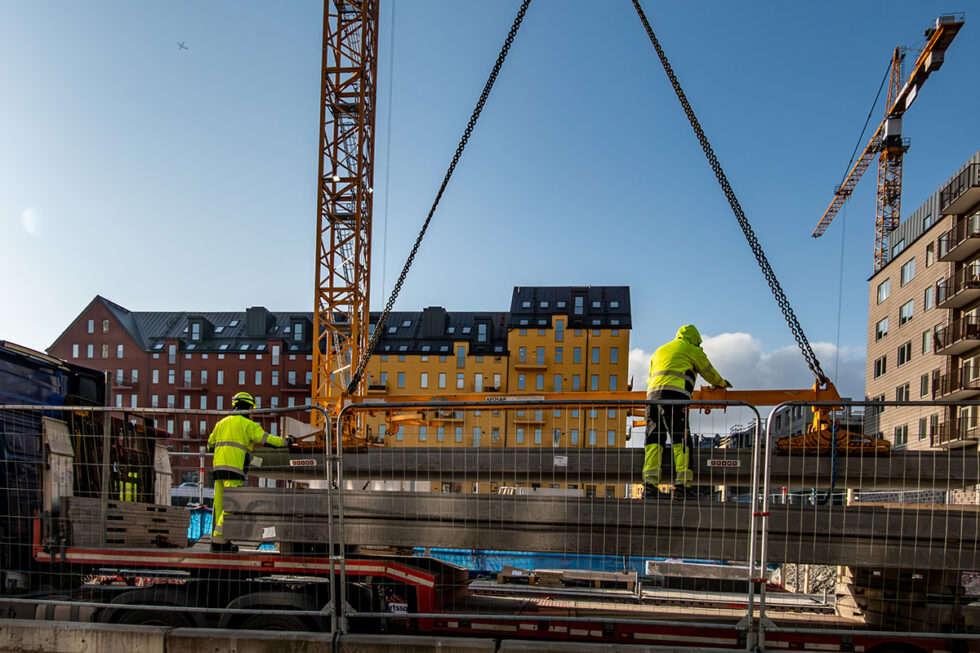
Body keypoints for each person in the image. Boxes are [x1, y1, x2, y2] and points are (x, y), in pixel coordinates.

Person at [644, 325, 731, 500]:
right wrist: (721, 383)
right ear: (696, 340)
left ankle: (650, 488)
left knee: (654, 440)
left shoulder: (660, 350)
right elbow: (709, 372)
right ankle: (683, 488)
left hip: (652, 398)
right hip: (675, 397)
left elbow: (651, 375)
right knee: (681, 440)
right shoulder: (693, 350)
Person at [207, 391, 290, 552]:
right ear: (249, 408)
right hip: (234, 469)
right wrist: (287, 441)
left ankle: (219, 542)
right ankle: (219, 541)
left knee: (219, 505)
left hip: (217, 468)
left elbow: (210, 445)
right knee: (232, 507)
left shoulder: (221, 422)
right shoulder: (249, 425)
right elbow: (269, 440)